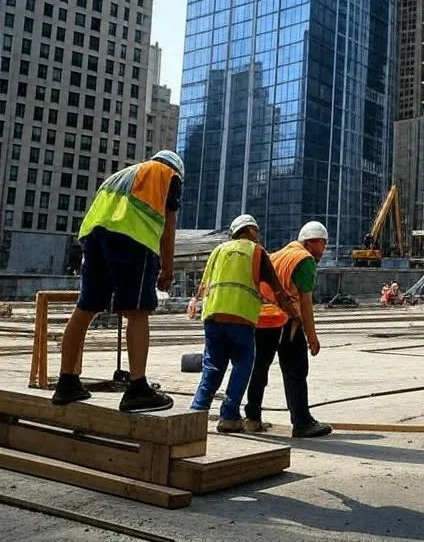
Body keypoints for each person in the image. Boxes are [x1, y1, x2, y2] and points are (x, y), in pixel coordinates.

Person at [51, 150, 185, 412]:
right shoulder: (168, 175)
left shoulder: (119, 176)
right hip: (133, 238)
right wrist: (167, 268)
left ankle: (67, 382)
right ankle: (137, 388)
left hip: (94, 237)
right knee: (137, 311)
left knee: (85, 308)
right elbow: (169, 226)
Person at [187, 214, 299, 433]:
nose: (258, 235)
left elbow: (203, 285)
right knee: (242, 364)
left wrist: (194, 304)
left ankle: (197, 412)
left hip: (213, 316)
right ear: (250, 231)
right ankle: (229, 416)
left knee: (212, 365)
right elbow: (277, 291)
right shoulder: (256, 252)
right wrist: (294, 314)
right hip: (239, 318)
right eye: (256, 231)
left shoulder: (218, 251)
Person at [243, 221, 333, 438]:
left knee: (259, 368)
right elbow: (305, 303)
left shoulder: (278, 254)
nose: (324, 251)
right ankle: (301, 421)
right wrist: (312, 337)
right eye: (324, 245)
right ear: (314, 242)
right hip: (284, 320)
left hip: (260, 318)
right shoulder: (304, 259)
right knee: (295, 369)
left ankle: (252, 418)